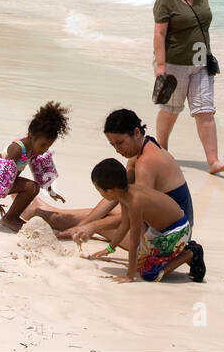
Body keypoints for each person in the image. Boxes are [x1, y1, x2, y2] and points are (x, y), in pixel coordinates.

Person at [30, 109, 197, 259]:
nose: (117, 149)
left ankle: (50, 215)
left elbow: (137, 215)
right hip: (166, 222)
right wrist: (85, 224)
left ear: (136, 132)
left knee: (106, 221)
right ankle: (52, 215)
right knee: (108, 212)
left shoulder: (146, 163)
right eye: (113, 144)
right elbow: (116, 194)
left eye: (120, 142)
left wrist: (92, 226)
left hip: (173, 234)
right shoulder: (142, 149)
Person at [153, 0, 224, 175]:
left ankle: (213, 161)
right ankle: (162, 150)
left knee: (205, 110)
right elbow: (159, 34)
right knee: (171, 109)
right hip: (175, 63)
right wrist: (160, 66)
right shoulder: (166, 0)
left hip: (201, 61)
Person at [87, 158, 199, 284]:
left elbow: (134, 241)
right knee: (140, 265)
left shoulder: (135, 202)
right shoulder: (124, 194)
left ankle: (189, 254)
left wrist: (130, 276)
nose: (99, 193)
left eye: (98, 189)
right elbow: (124, 225)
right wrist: (110, 248)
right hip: (159, 231)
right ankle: (177, 251)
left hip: (177, 230)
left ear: (110, 191)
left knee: (149, 274)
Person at [0, 102, 68, 233]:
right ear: (31, 135)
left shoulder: (32, 149)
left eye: (48, 146)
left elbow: (40, 172)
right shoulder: (17, 149)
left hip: (3, 182)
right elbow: (0, 173)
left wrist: (50, 191)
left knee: (33, 187)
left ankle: (12, 216)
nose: (45, 149)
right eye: (43, 145)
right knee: (32, 187)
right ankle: (10, 218)